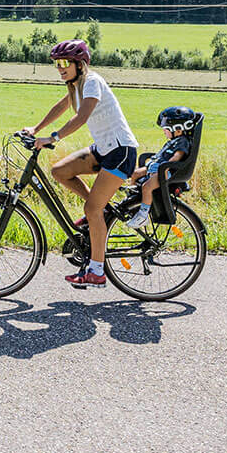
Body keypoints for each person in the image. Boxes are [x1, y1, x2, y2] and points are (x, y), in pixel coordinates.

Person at [18, 38, 139, 290]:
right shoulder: (75, 85)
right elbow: (62, 107)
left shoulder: (92, 82)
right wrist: (36, 128)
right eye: (57, 63)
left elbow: (81, 116)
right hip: (104, 149)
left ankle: (96, 271)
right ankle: (99, 212)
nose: (60, 68)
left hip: (121, 151)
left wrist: (52, 138)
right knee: (60, 171)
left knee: (91, 210)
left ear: (80, 64)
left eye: (64, 63)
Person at [130, 105, 204, 229]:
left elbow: (177, 156)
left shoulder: (182, 142)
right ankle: (133, 199)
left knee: (147, 187)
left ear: (178, 129)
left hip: (163, 171)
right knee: (134, 174)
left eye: (166, 129)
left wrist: (166, 167)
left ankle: (142, 215)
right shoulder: (172, 141)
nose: (164, 131)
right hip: (155, 167)